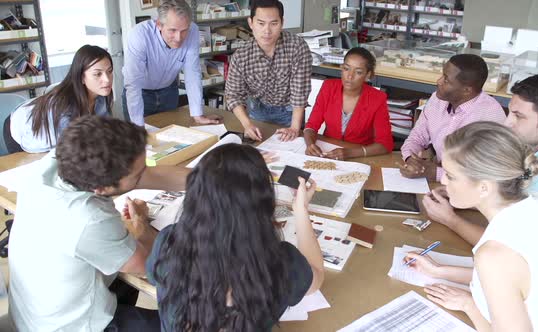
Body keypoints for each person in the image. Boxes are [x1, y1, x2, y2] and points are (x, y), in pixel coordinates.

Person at [422, 72, 538, 311]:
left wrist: (450, 219)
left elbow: (513, 249)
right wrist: (466, 190)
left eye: (518, 116)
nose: (507, 122)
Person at [8, 116, 191, 331]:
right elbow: (147, 265)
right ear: (102, 189)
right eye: (138, 175)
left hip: (37, 309)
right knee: (191, 321)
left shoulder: (59, 162)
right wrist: (142, 228)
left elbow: (149, 174)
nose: (146, 172)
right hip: (69, 325)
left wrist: (217, 180)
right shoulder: (87, 218)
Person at [405, 121, 538, 331]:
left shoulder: (494, 255)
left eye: (451, 176)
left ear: (484, 187)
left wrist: (469, 305)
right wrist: (439, 271)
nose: (444, 181)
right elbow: (517, 279)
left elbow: (501, 269)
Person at [146, 143, 325, 331]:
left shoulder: (168, 240)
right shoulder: (281, 262)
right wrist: (301, 210)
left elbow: (154, 277)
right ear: (262, 203)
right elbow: (316, 279)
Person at [400, 53, 505, 181]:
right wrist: (411, 159)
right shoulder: (437, 99)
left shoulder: (490, 117)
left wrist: (436, 173)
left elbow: (484, 175)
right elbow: (417, 136)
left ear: (467, 90)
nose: (438, 81)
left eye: (446, 80)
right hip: (438, 180)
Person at [122, 0, 221, 126]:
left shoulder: (193, 31)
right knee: (137, 140)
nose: (179, 38)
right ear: (159, 24)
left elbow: (192, 73)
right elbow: (133, 83)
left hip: (168, 92)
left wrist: (197, 114)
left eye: (184, 30)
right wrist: (137, 125)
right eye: (172, 30)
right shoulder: (139, 35)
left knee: (170, 138)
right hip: (140, 94)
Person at [225, 0, 312, 142]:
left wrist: (295, 128)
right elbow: (233, 94)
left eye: (274, 23)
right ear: (251, 23)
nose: (267, 31)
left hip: (290, 112)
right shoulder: (241, 55)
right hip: (258, 111)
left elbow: (299, 92)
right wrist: (247, 125)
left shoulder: (297, 47)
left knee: (290, 151)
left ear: (282, 23)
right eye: (261, 23)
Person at [6, 45, 113, 154]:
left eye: (109, 71)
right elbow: (72, 150)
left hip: (52, 134)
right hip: (21, 128)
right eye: (97, 74)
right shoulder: (65, 104)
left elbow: (106, 135)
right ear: (81, 77)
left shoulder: (101, 96)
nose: (107, 80)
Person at [303, 47, 393, 160]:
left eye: (358, 72)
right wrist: (310, 144)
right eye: (346, 69)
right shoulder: (329, 87)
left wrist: (351, 153)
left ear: (368, 75)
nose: (350, 76)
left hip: (360, 157)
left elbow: (385, 144)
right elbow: (311, 125)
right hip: (328, 153)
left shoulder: (377, 98)